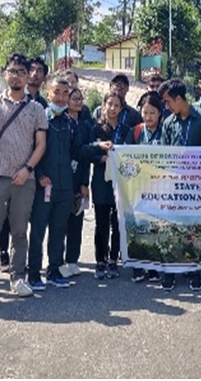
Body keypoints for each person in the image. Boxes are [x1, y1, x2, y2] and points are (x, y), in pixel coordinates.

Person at [0, 53, 48, 300]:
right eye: (12, 71)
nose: (16, 76)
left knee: (19, 231)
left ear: (28, 77)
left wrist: (27, 169)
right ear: (5, 73)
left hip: (24, 178)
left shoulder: (37, 108)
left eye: (21, 72)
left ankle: (18, 277)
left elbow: (40, 145)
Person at [159, 79, 201, 291]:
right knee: (173, 228)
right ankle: (171, 270)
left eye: (168, 102)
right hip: (174, 188)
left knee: (194, 228)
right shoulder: (168, 123)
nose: (166, 107)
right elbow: (163, 158)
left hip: (196, 188)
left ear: (179, 99)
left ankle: (194, 269)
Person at [27, 76, 83, 291]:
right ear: (47, 93)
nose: (60, 98)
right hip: (44, 187)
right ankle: (33, 272)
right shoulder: (39, 120)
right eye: (56, 92)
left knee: (59, 230)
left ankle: (54, 269)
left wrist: (100, 148)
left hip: (65, 188)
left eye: (65, 93)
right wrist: (39, 174)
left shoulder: (70, 123)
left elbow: (79, 151)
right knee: (39, 230)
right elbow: (30, 150)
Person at [85, 91, 126, 280]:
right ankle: (100, 260)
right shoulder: (96, 129)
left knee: (117, 222)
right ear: (103, 105)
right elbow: (88, 152)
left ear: (121, 108)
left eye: (117, 105)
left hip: (120, 182)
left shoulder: (126, 130)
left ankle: (113, 260)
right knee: (101, 222)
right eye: (110, 104)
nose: (113, 109)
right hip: (101, 181)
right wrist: (101, 157)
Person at [125, 93, 164, 284]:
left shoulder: (165, 131)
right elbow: (124, 156)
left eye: (152, 113)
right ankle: (138, 265)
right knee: (138, 228)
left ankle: (154, 267)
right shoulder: (135, 132)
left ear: (159, 113)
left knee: (155, 229)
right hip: (138, 189)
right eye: (145, 112)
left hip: (159, 188)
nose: (148, 116)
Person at [62, 86, 92, 278]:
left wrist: (84, 182)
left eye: (80, 98)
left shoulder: (86, 126)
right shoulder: (60, 122)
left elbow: (86, 154)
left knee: (76, 221)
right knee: (60, 222)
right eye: (74, 98)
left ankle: (72, 260)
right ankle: (57, 261)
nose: (77, 102)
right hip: (61, 177)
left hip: (78, 176)